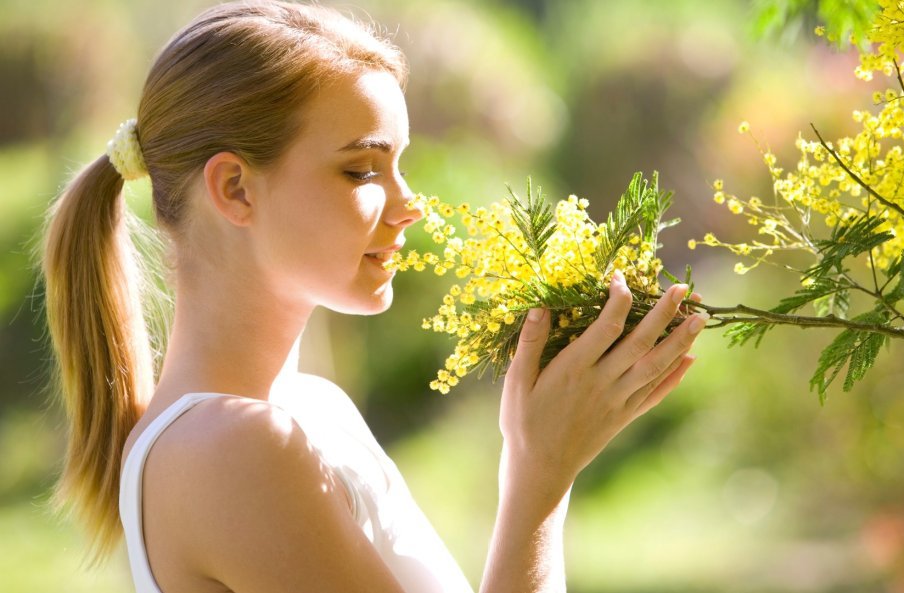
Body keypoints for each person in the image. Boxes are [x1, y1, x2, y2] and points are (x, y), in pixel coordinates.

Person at [40, 1, 708, 591]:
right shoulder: (230, 449)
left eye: (400, 162)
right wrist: (538, 479)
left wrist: (542, 473)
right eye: (361, 168)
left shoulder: (309, 410)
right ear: (236, 188)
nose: (409, 203)